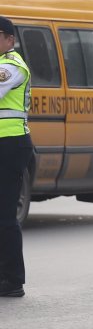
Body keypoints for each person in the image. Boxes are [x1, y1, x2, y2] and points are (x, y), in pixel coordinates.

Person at [0, 16, 33, 297]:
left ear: (10, 39)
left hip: (10, 145)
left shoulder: (11, 65)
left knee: (5, 214)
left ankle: (12, 280)